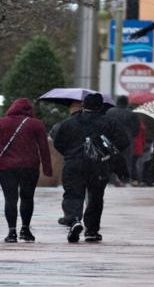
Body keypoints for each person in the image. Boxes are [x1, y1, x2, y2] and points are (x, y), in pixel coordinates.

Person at [50, 92, 130, 244]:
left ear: (83, 105)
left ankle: (74, 220)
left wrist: (69, 154)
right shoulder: (109, 122)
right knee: (95, 197)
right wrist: (106, 150)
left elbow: (58, 142)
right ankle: (92, 231)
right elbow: (124, 141)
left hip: (74, 164)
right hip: (99, 165)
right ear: (100, 106)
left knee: (73, 194)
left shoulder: (69, 123)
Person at [0, 97, 54, 243]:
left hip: (6, 168)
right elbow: (44, 148)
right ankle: (25, 229)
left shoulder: (1, 123)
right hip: (29, 167)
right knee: (27, 198)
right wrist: (47, 169)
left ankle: (12, 232)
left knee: (10, 199)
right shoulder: (36, 124)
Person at [105, 94, 145, 186]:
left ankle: (111, 180)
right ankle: (124, 180)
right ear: (127, 103)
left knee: (111, 159)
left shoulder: (109, 112)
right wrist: (131, 136)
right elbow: (137, 128)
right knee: (126, 161)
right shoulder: (131, 114)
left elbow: (105, 125)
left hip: (112, 140)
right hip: (127, 141)